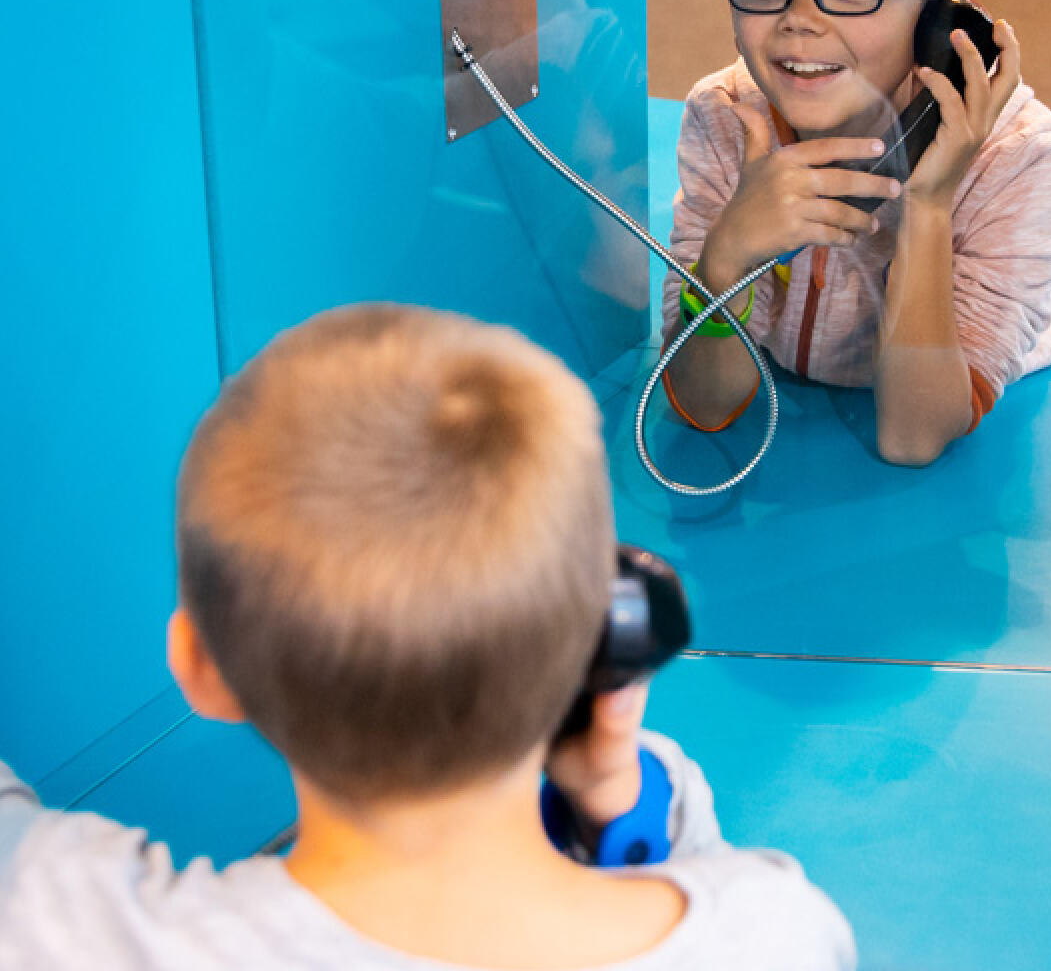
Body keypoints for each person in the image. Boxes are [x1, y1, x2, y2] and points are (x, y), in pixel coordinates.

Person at [0, 305, 854, 970]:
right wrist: (616, 802)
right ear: (607, 642)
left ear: (202, 668)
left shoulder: (99, 938)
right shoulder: (774, 932)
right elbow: (702, 889)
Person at [661, 0, 1051, 465]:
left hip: (1023, 413)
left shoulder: (1026, 162)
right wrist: (726, 257)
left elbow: (914, 436)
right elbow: (705, 403)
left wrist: (928, 206)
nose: (799, 19)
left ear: (937, 14)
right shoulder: (727, 117)